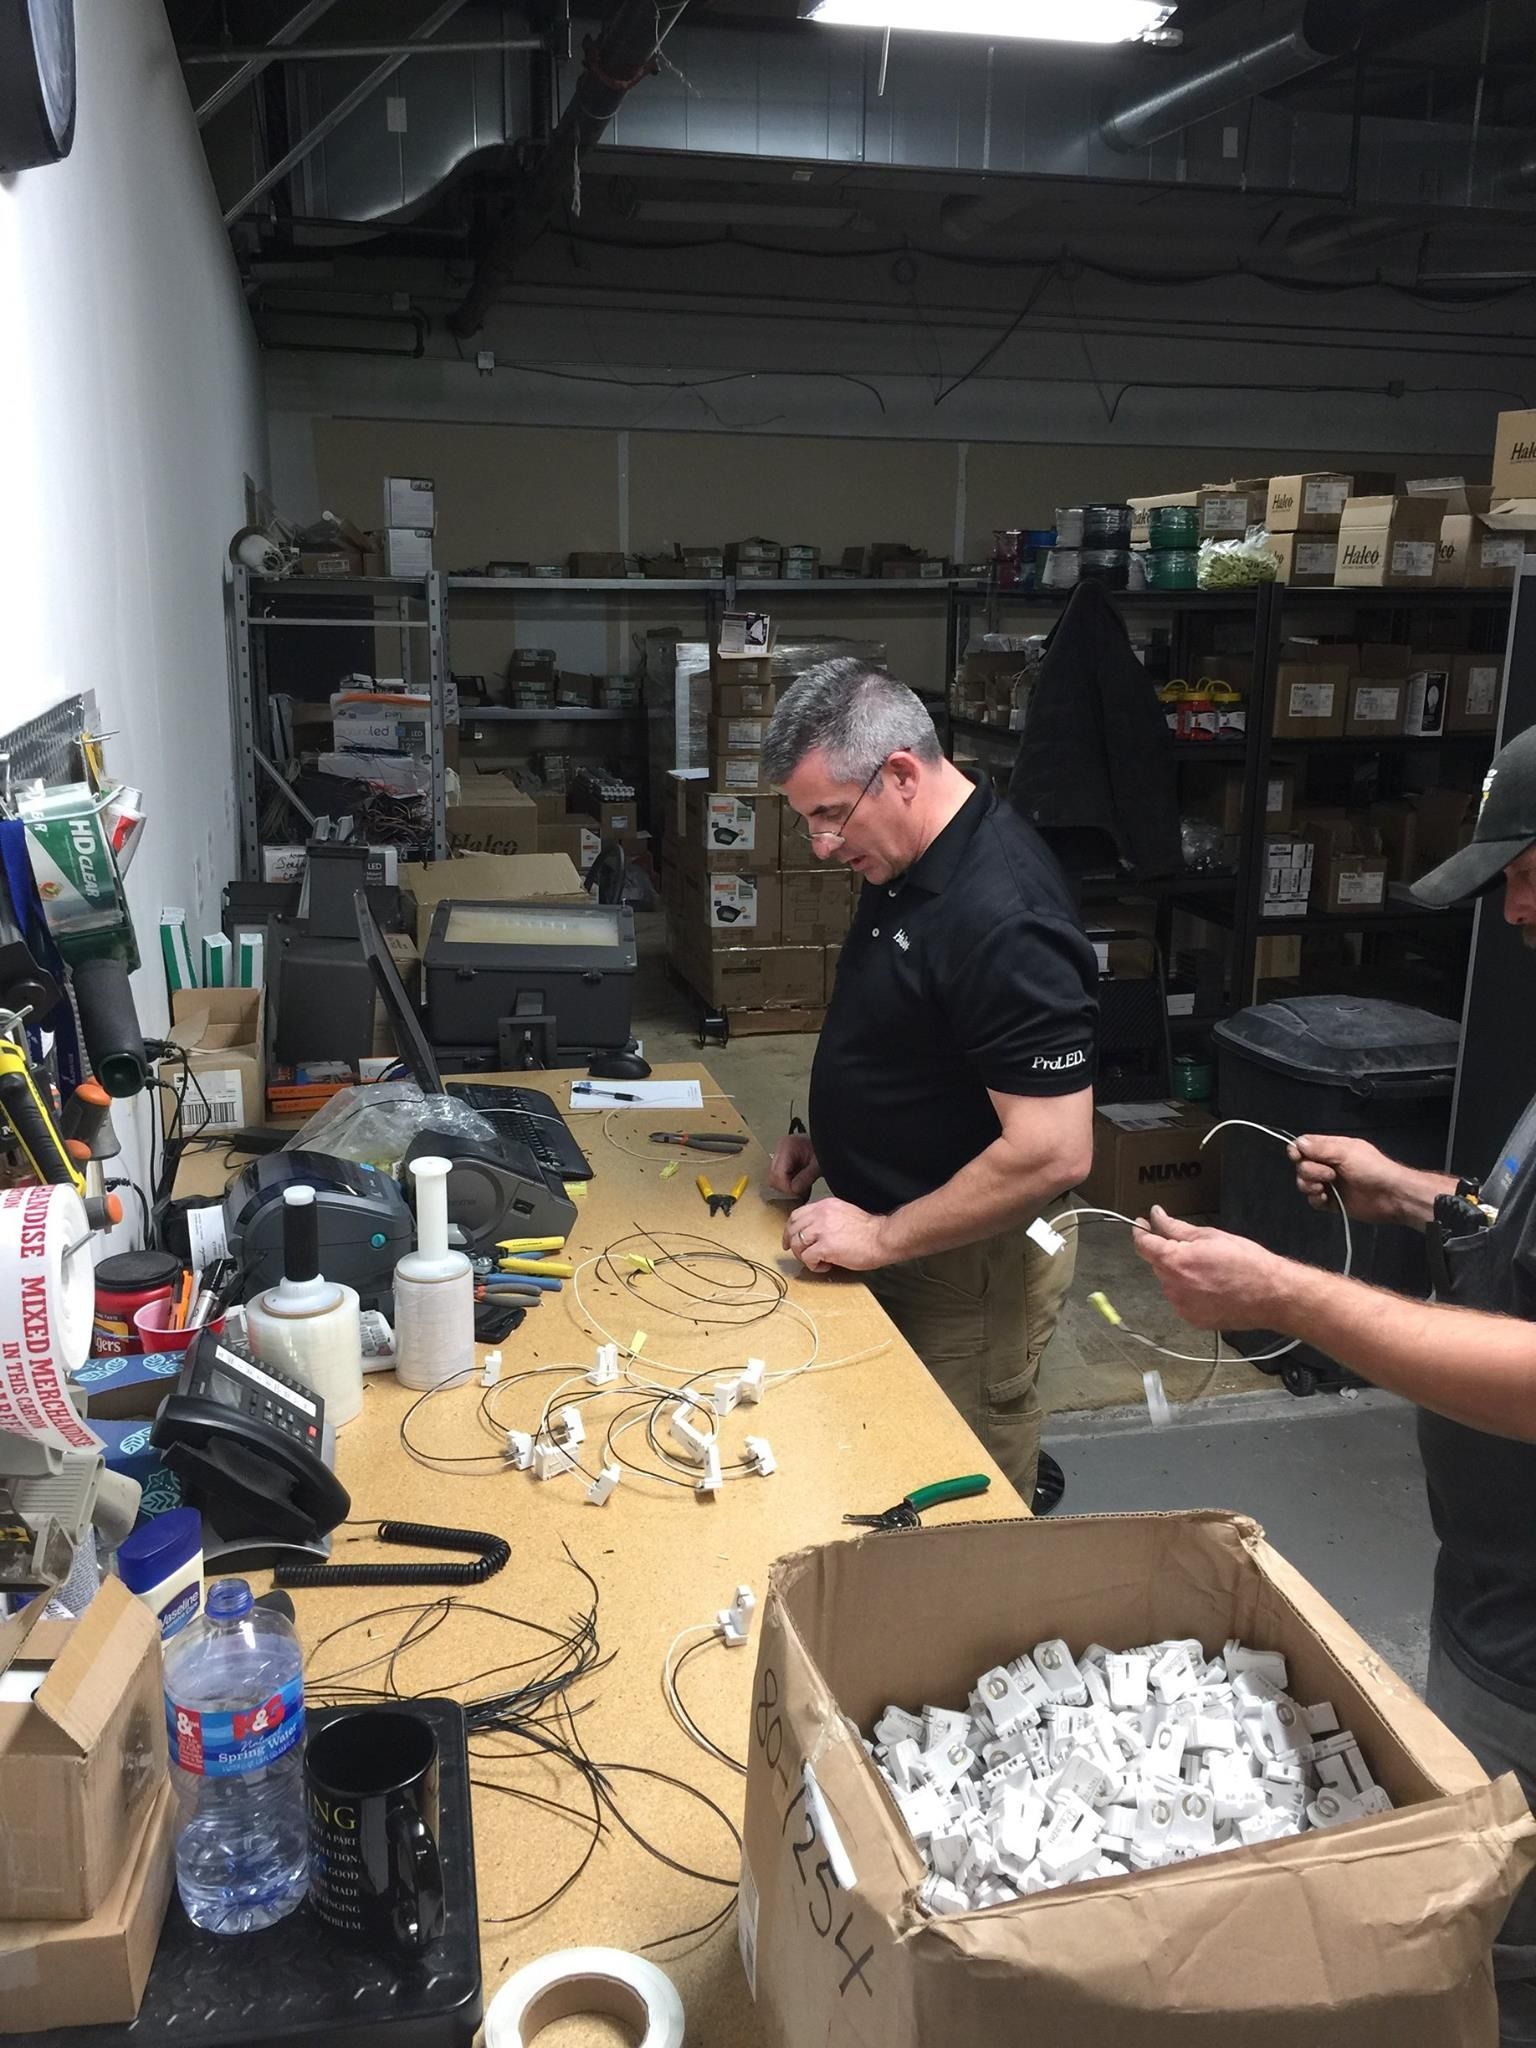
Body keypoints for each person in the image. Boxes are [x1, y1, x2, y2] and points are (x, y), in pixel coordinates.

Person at [1133, 721, 1536, 2046]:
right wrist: (1427, 1197)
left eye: (1534, 871)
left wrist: (1290, 1293)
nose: (1516, 911)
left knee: (1496, 1932)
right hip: (1488, 1576)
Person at [760, 657, 1097, 1507]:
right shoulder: (910, 857)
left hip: (962, 1264)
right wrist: (834, 1140)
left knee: (954, 1484)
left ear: (902, 773)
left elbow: (1054, 1152)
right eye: (807, 821)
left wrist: (880, 1236)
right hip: (889, 1219)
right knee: (877, 1453)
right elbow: (914, 1027)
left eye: (831, 816)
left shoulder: (1005, 914)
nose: (823, 846)